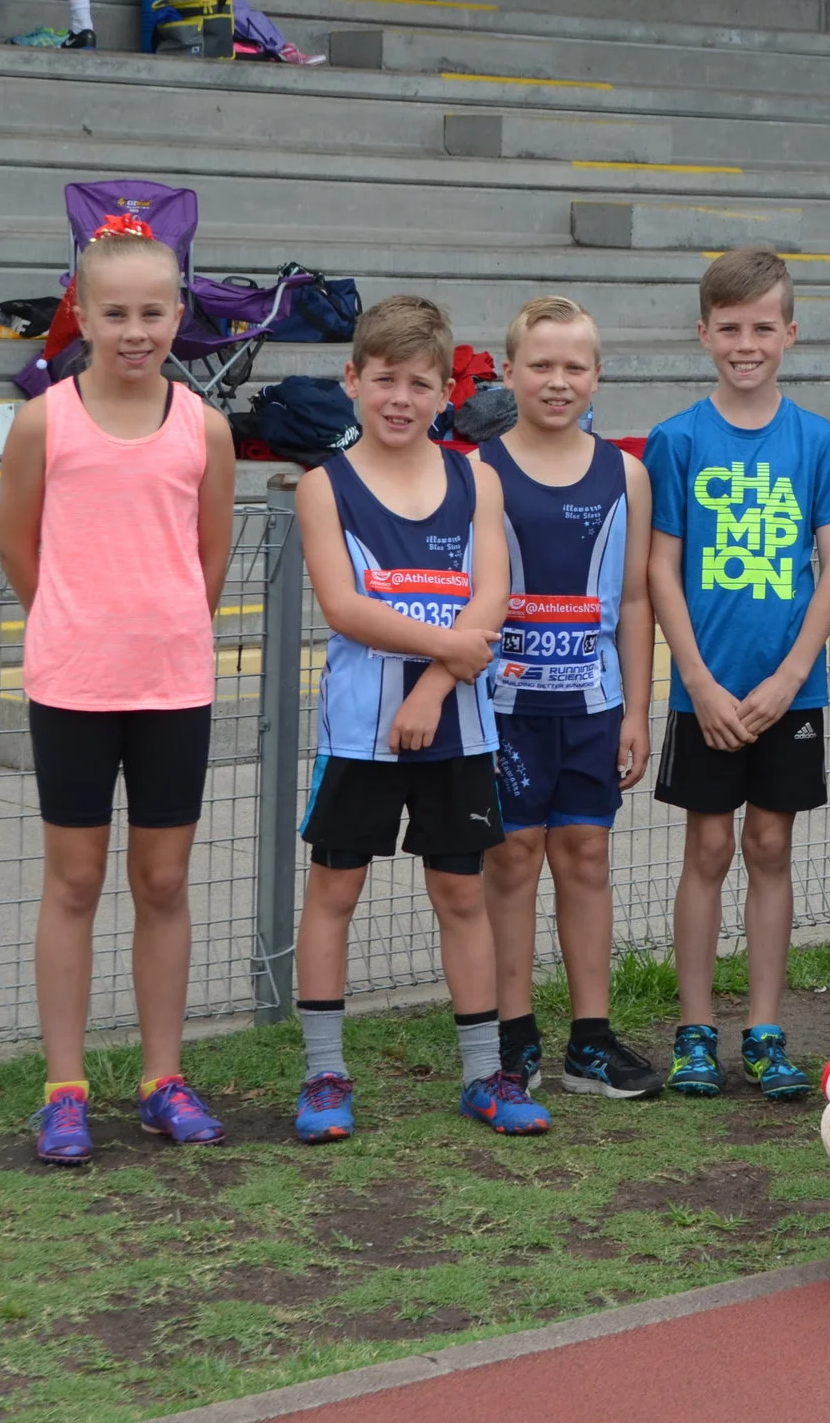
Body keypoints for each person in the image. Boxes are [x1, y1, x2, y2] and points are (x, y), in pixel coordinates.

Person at [0, 225, 234, 1165]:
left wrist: (161, 630)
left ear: (178, 316)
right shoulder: (44, 422)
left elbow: (208, 559)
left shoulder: (203, 428)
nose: (136, 332)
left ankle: (161, 1079)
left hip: (172, 684)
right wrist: (75, 624)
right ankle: (64, 1090)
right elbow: (19, 545)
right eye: (116, 313)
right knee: (75, 880)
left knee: (163, 881)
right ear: (82, 316)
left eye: (153, 313)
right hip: (74, 685)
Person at [290, 296, 545, 1144]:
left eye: (420, 384)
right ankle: (325, 1074)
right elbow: (344, 607)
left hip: (457, 725)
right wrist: (449, 649)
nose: (400, 398)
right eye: (385, 379)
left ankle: (483, 1075)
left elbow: (492, 597)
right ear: (352, 379)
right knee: (335, 890)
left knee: (461, 892)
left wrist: (433, 687)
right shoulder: (324, 487)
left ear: (445, 393)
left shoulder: (476, 479)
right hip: (359, 730)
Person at [648, 249, 830, 1100]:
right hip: (706, 689)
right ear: (704, 333)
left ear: (791, 333)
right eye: (730, 328)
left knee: (770, 845)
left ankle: (766, 1029)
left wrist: (792, 674)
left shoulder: (815, 441)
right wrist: (698, 682)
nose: (747, 344)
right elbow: (661, 569)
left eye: (763, 328)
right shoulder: (677, 439)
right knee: (707, 846)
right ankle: (695, 1029)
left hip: (789, 691)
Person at [476, 298, 659, 1101]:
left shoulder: (627, 475)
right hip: (504, 710)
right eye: (541, 365)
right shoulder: (478, 472)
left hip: (592, 707)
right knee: (512, 859)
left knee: (586, 855)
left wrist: (638, 711)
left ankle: (590, 1039)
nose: (558, 381)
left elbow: (634, 602)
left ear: (598, 375)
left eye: (574, 367)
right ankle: (513, 1036)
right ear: (507, 371)